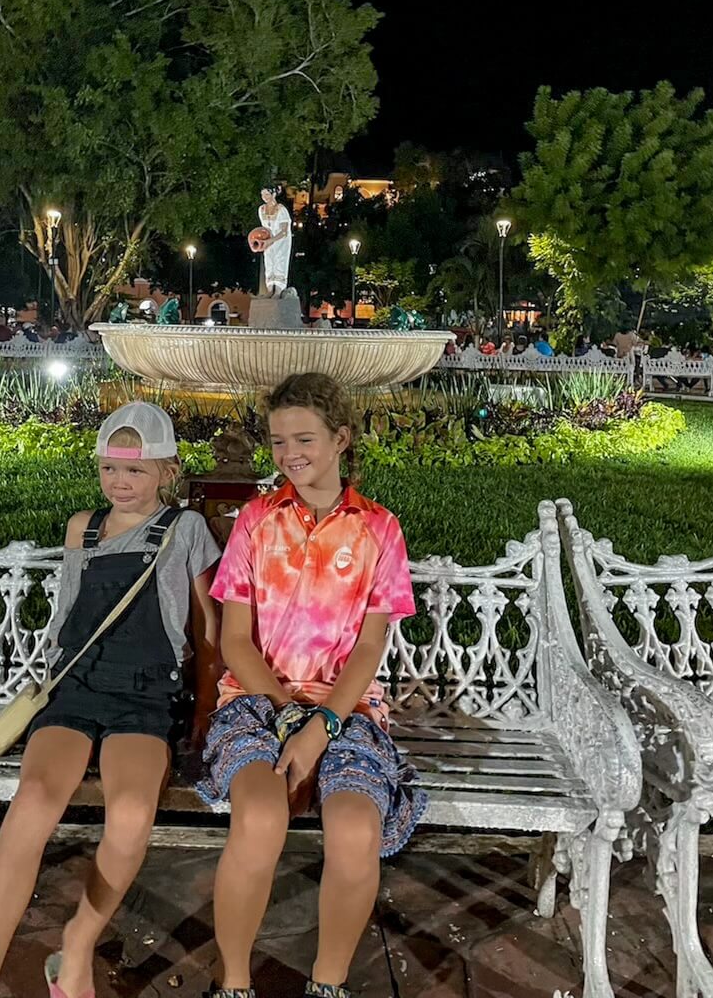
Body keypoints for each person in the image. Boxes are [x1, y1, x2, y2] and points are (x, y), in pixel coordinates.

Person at [0, 403, 221, 998]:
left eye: (136, 472)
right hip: (77, 687)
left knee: (130, 812)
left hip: (145, 695)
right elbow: (68, 616)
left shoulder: (186, 529)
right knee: (34, 799)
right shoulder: (84, 526)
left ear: (166, 472)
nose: (120, 484)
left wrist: (205, 712)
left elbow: (207, 633)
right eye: (109, 470)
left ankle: (76, 944)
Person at [198, 372, 426, 998]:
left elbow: (370, 645)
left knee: (355, 831)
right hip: (254, 702)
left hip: (346, 708)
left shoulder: (379, 529)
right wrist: (282, 715)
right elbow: (236, 641)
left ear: (341, 439)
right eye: (276, 442)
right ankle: (235, 983)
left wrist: (322, 724)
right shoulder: (256, 521)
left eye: (303, 438)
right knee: (261, 815)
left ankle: (327, 985)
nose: (288, 455)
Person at [257, 186, 293, 298]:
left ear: (273, 195)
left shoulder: (281, 210)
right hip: (268, 242)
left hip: (280, 242)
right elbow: (264, 227)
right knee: (269, 262)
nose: (265, 197)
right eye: (263, 195)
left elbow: (284, 232)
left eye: (267, 194)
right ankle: (269, 289)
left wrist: (271, 240)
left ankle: (278, 290)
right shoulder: (261, 209)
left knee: (279, 262)